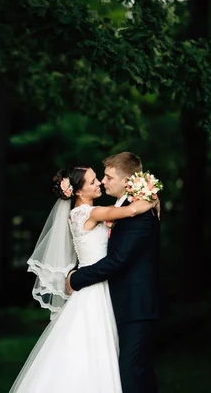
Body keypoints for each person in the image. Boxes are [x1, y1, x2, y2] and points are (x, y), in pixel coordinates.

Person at [10, 161, 156, 393]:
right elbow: (129, 210)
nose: (99, 183)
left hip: (91, 284)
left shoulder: (78, 214)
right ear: (78, 191)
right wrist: (152, 199)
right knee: (95, 347)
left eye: (98, 178)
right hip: (95, 287)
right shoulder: (92, 212)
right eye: (93, 181)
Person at [67, 152, 161, 393]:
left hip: (136, 305)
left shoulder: (139, 215)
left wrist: (76, 278)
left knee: (131, 371)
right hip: (117, 302)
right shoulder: (121, 210)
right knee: (129, 370)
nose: (103, 182)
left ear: (126, 181)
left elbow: (117, 260)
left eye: (108, 177)